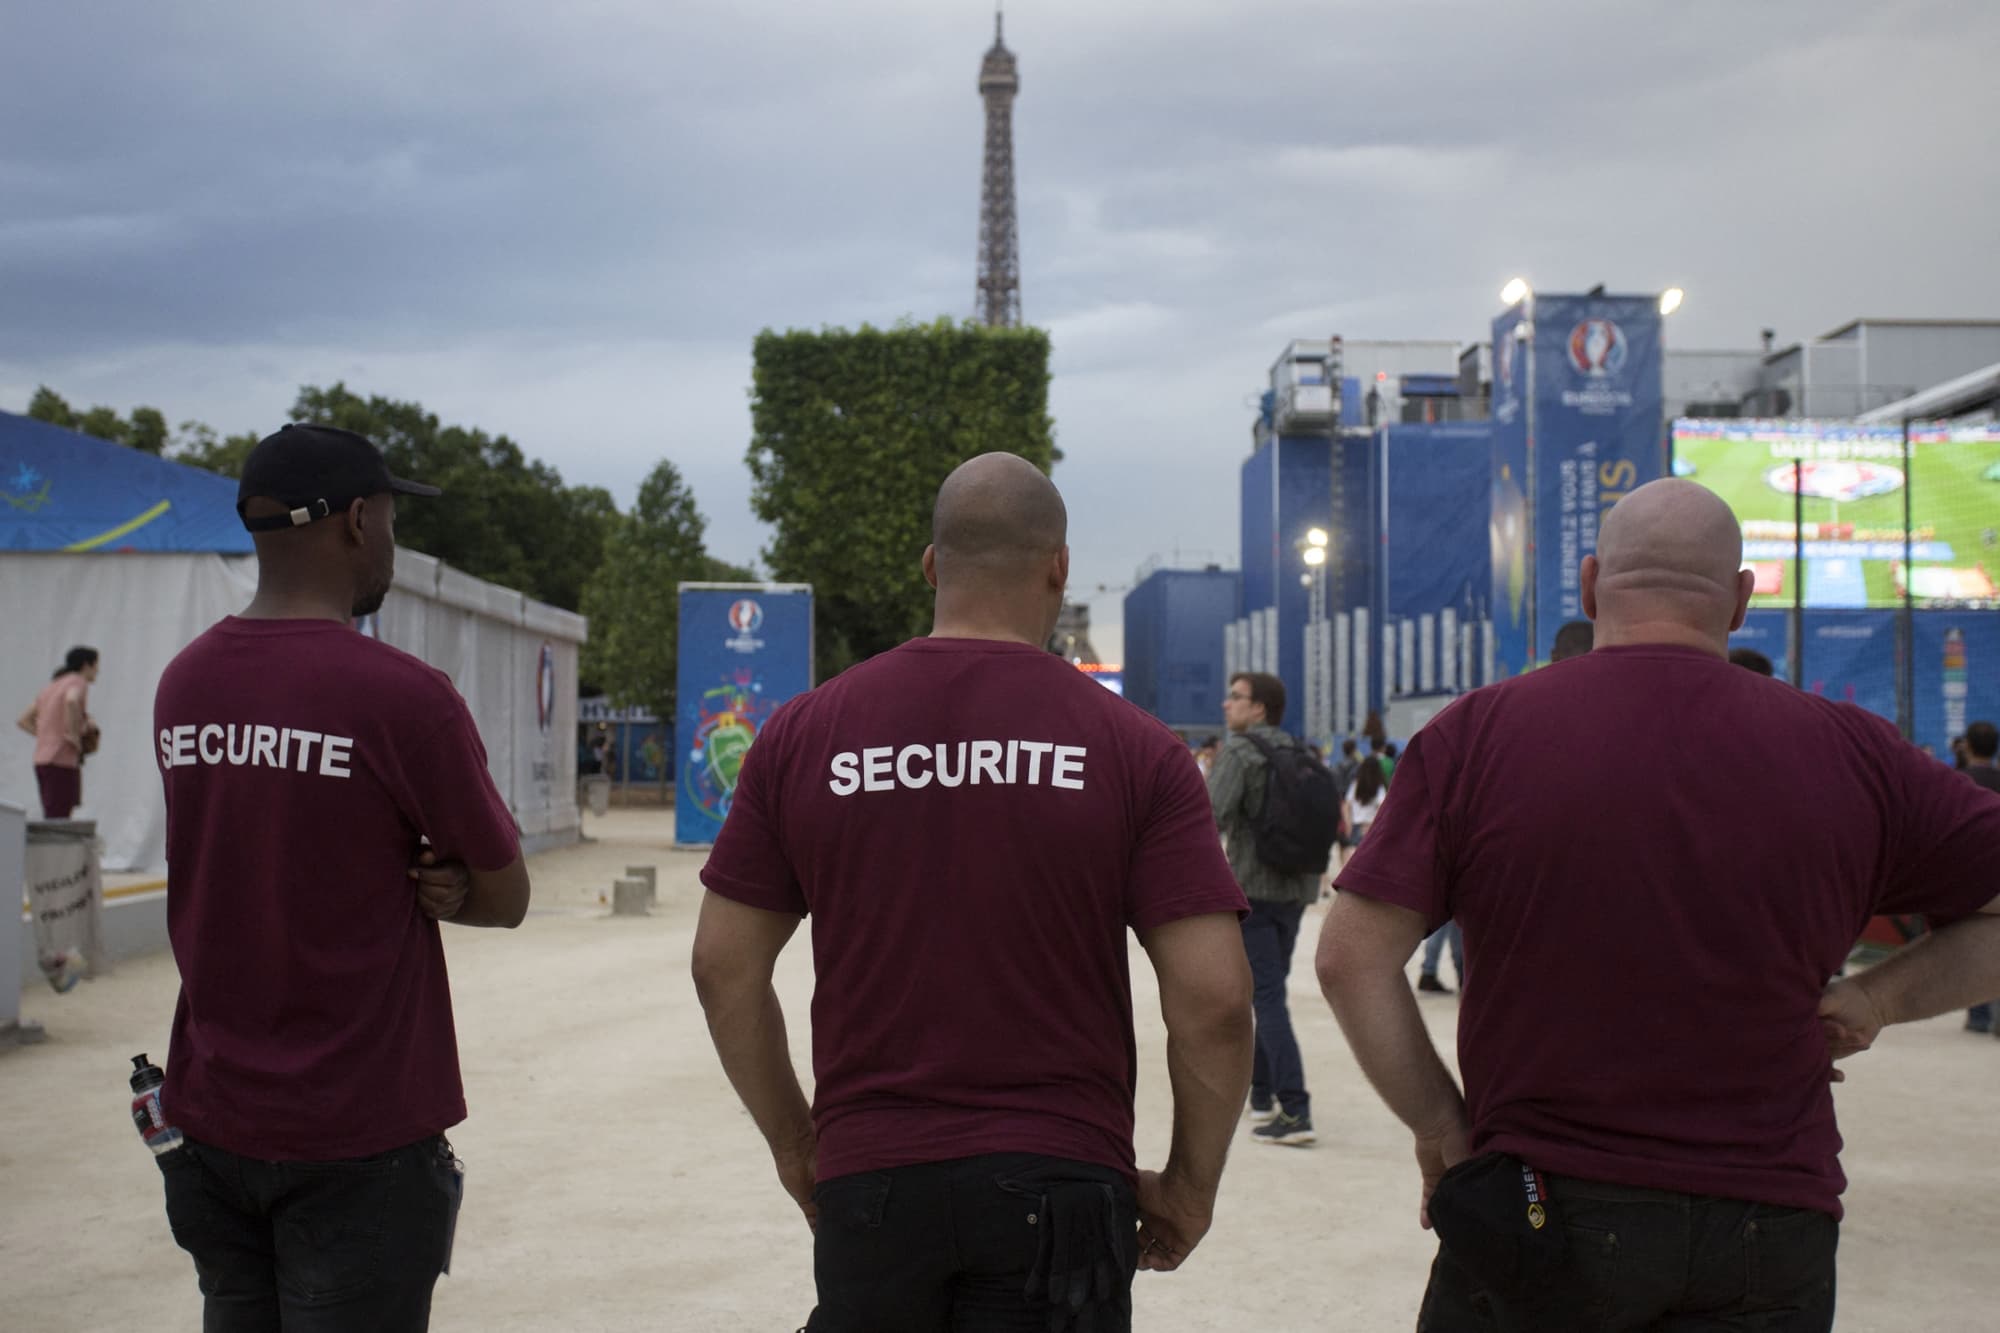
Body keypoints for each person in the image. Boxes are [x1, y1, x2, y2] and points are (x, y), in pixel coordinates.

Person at [1317, 479, 2000, 1331]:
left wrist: (1441, 1126)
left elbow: (1349, 958)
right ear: (1743, 600)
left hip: (1544, 1203)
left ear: (1594, 583)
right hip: (1769, 1218)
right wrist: (1880, 997)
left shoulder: (1478, 734)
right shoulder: (1854, 752)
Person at [691, 453, 1253, 1332]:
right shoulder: (1136, 750)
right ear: (1059, 569)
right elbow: (1216, 999)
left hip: (872, 1180)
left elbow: (722, 966)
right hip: (1063, 1184)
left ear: (929, 566)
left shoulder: (805, 734)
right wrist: (1189, 1184)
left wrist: (798, 1144)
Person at [152, 423, 531, 1331]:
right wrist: (454, 889)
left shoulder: (185, 683)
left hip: (209, 1120)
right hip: (356, 1136)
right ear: (359, 520)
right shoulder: (403, 695)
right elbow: (506, 893)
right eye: (394, 516)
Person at [1208, 671, 1321, 1147]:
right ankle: (1260, 1092)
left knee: (1266, 997)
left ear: (1259, 708)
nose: (1225, 704)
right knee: (1267, 990)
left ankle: (1295, 1110)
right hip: (1296, 891)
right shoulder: (1299, 751)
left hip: (1253, 888)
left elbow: (1209, 816)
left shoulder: (1239, 750)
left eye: (1235, 697)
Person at [16, 646, 99, 817]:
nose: (98, 671)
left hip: (42, 759)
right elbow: (71, 700)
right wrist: (73, 735)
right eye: (96, 665)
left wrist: (47, 735)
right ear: (86, 665)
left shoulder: (51, 687)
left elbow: (23, 720)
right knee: (59, 819)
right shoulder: (78, 681)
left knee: (53, 813)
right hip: (61, 760)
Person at [1958, 720, 2000, 1034]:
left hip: (1971, 872)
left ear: (1967, 746)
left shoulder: (1957, 781)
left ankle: (1979, 1015)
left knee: (1971, 941)